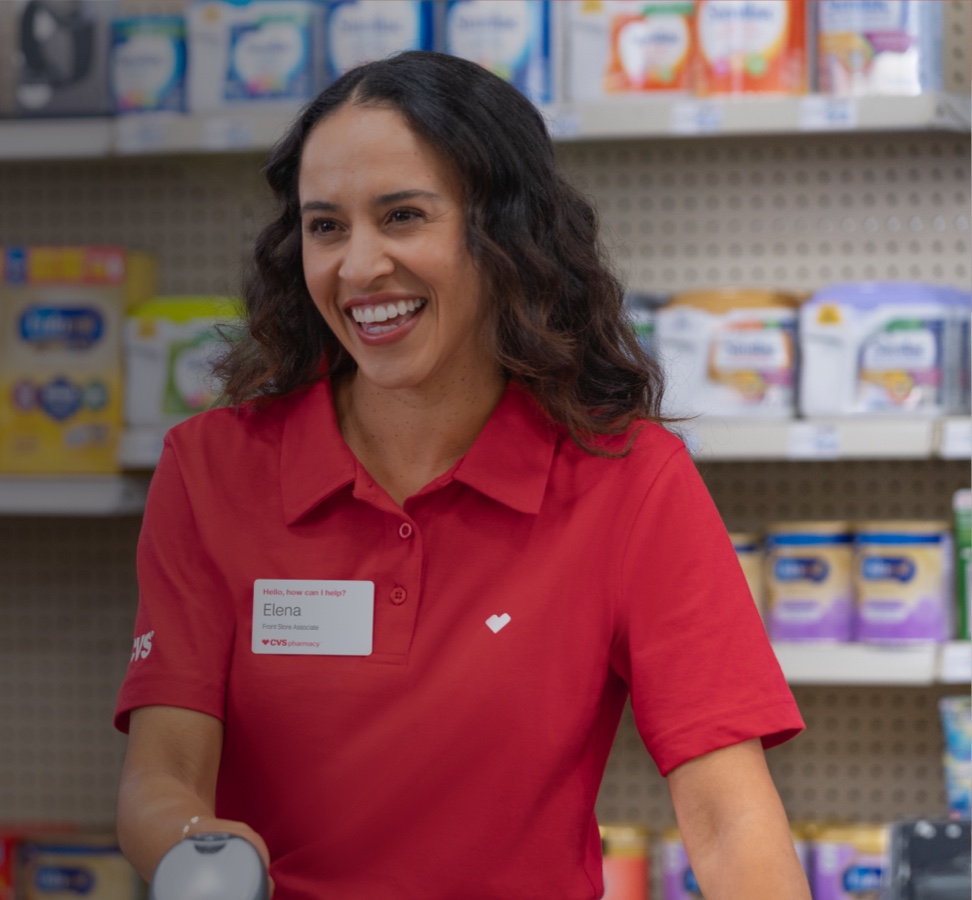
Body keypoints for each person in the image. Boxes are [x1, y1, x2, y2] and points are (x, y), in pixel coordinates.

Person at [115, 52, 809, 899]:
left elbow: (727, 818)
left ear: (504, 231)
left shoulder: (630, 482)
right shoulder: (211, 469)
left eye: (402, 216)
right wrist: (199, 852)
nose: (359, 267)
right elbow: (162, 773)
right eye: (326, 226)